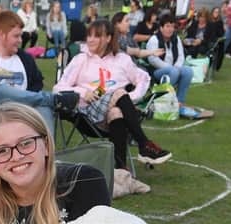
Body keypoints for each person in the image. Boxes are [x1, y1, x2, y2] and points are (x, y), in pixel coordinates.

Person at [0, 102, 111, 224]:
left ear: (46, 145)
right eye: (2, 151)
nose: (16, 157)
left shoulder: (83, 183)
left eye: (26, 143)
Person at [54, 20, 172, 168]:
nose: (90, 39)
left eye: (96, 36)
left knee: (117, 111)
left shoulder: (122, 59)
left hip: (116, 111)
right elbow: (58, 88)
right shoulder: (80, 59)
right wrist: (84, 92)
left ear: (109, 38)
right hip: (87, 114)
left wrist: (132, 98)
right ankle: (143, 144)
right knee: (119, 92)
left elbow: (143, 78)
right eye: (89, 35)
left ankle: (121, 170)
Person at [146, 14, 210, 117]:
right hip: (157, 71)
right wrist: (171, 68)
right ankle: (162, 101)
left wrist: (177, 66)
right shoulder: (154, 40)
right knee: (174, 71)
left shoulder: (176, 39)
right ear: (161, 28)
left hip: (173, 68)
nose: (170, 29)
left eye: (172, 26)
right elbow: (153, 60)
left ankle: (180, 102)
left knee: (188, 71)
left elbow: (181, 56)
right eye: (167, 26)